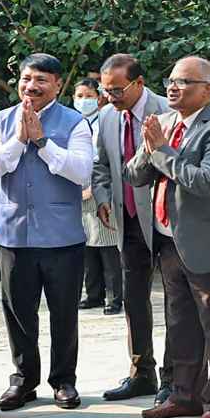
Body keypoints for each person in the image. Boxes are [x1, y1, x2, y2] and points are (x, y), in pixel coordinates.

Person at [125, 56, 210, 418]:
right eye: (171, 81)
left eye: (185, 82)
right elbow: (134, 176)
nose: (173, 88)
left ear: (207, 90)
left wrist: (162, 150)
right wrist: (151, 150)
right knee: (180, 325)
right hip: (169, 242)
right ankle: (183, 394)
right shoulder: (163, 124)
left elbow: (205, 181)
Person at [0, 53, 93, 411]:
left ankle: (64, 380)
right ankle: (23, 380)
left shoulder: (75, 122)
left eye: (41, 80)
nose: (31, 87)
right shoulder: (1, 120)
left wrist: (44, 142)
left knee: (64, 312)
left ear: (58, 85)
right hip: (13, 234)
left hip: (62, 236)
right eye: (26, 79)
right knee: (18, 312)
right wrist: (20, 139)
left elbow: (81, 172)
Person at [93, 53, 173, 405]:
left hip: (167, 222)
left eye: (117, 89)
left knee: (178, 302)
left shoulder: (168, 110)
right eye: (105, 89)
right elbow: (100, 163)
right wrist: (102, 198)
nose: (110, 96)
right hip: (127, 222)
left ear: (139, 83)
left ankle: (176, 377)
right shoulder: (107, 116)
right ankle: (142, 372)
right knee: (134, 299)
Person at [74, 77, 123, 315]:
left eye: (88, 96)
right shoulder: (75, 123)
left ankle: (114, 298)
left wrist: (95, 188)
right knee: (87, 245)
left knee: (108, 246)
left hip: (102, 189)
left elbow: (106, 161)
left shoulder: (107, 120)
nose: (83, 101)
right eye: (79, 96)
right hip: (78, 189)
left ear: (100, 96)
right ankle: (93, 294)